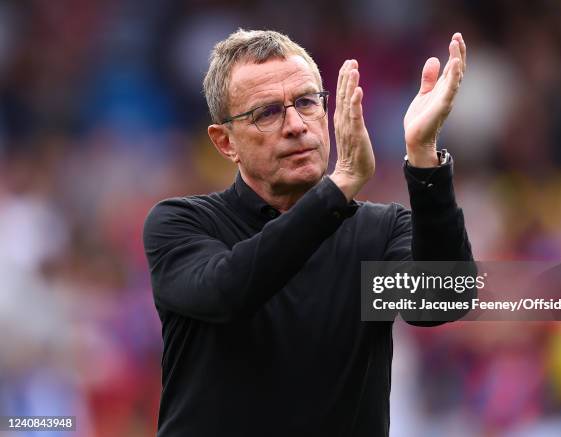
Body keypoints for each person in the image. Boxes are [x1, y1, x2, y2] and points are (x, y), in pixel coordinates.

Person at [143, 29, 471, 437]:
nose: (296, 125)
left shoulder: (378, 231)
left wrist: (425, 160)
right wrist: (341, 185)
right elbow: (228, 292)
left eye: (306, 102)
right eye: (266, 113)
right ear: (225, 142)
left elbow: (441, 301)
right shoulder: (181, 223)